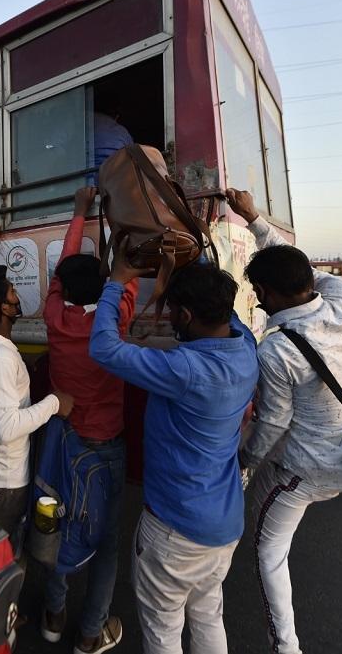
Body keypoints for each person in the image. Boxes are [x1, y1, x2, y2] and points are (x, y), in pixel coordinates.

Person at [228, 189, 342, 654]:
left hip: (306, 472)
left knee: (268, 552)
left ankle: (285, 646)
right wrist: (255, 220)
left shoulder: (277, 348)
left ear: (267, 293)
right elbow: (306, 271)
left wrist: (243, 461)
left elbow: (272, 423)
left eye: (257, 292)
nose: (256, 299)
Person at [90, 244, 258, 654]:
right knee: (207, 616)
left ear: (184, 316)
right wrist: (189, 251)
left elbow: (104, 349)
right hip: (224, 527)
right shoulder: (246, 345)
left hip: (174, 532)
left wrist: (115, 283)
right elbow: (219, 303)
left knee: (164, 631)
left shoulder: (185, 370)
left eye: (173, 312)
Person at [38, 187, 139, 653]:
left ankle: (55, 614)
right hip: (105, 444)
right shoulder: (115, 317)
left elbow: (64, 271)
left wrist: (79, 212)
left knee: (58, 520)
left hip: (64, 438)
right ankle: (90, 631)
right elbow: (127, 272)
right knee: (107, 540)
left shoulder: (55, 316)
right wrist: (119, 217)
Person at [0, 265, 74, 549]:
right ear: (4, 308)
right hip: (3, 482)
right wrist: (54, 403)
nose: (17, 295)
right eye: (12, 291)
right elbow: (6, 428)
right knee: (1, 560)